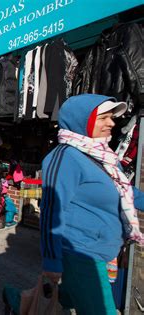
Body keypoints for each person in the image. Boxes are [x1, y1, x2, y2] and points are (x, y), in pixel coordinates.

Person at [40, 94, 144, 314]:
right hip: (81, 253)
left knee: (63, 299)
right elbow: (51, 212)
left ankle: (18, 299)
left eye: (112, 117)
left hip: (102, 248)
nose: (112, 123)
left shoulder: (102, 155)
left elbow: (123, 189)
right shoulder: (65, 157)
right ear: (81, 120)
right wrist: (52, 261)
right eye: (104, 118)